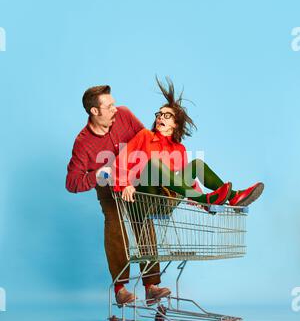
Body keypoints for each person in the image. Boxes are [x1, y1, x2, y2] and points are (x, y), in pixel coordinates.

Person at [66, 85, 171, 307]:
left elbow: (147, 142)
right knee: (114, 223)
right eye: (109, 106)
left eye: (114, 103)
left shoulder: (124, 114)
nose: (115, 108)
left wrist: (132, 176)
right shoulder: (83, 142)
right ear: (95, 111)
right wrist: (99, 174)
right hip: (107, 185)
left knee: (142, 221)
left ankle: (151, 287)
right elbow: (72, 183)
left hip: (134, 179)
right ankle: (120, 288)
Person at [113, 77, 264, 213]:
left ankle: (233, 197)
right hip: (140, 199)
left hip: (165, 203)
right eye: (158, 115)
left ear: (175, 123)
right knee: (154, 164)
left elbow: (185, 181)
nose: (160, 118)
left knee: (197, 164)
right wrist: (125, 184)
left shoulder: (179, 149)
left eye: (166, 115)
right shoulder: (145, 135)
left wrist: (194, 198)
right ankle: (206, 199)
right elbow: (119, 162)